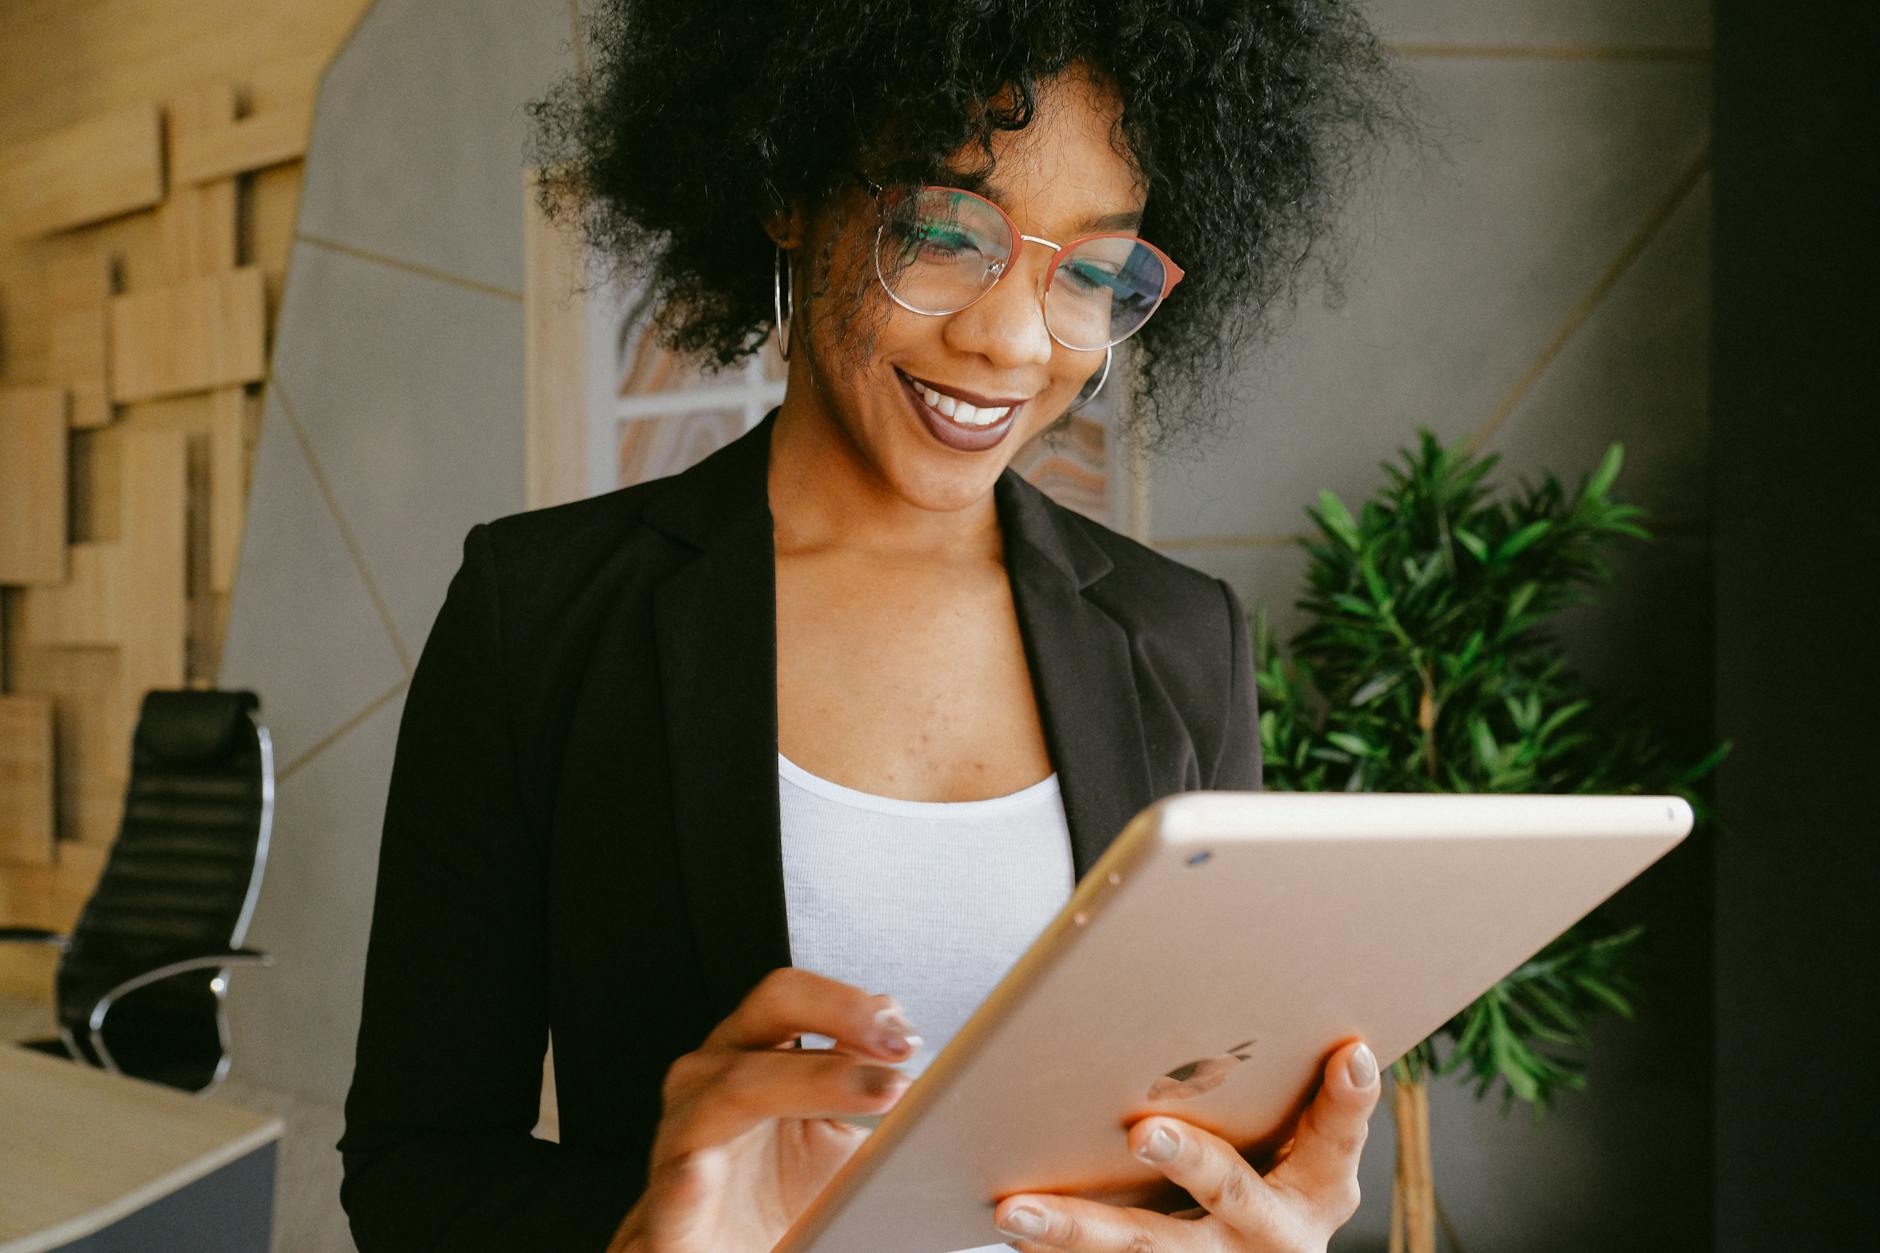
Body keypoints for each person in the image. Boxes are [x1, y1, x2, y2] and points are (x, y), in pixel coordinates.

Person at [338, 2, 1408, 1250]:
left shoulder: (1181, 638)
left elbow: (1207, 1136)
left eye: (1093, 270)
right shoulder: (546, 612)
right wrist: (643, 1232)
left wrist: (1271, 1213)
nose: (1011, 339)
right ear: (787, 191)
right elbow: (412, 1170)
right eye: (943, 234)